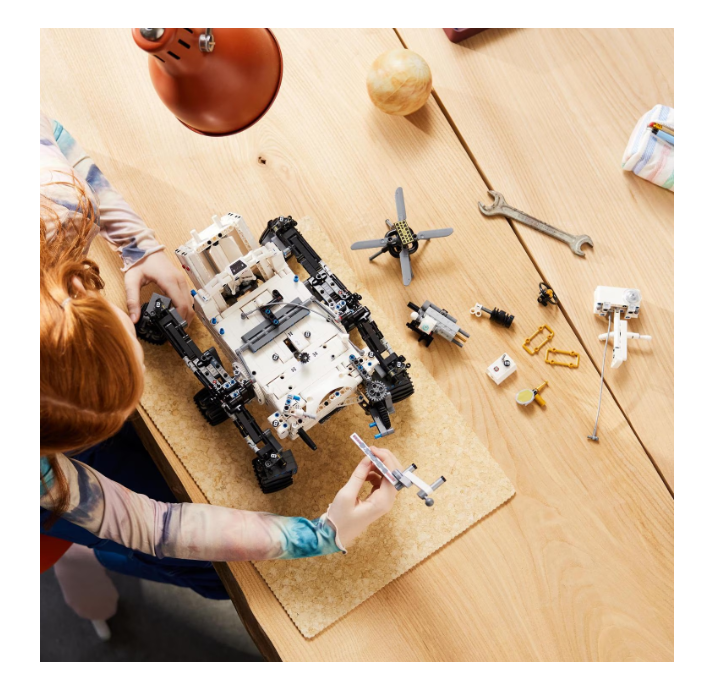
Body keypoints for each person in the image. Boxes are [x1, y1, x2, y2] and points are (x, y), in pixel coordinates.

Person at [40, 112, 400, 631]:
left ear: (74, 292)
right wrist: (324, 534)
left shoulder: (52, 202)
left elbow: (47, 129)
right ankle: (96, 556)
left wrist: (137, 243)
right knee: (212, 578)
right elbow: (152, 526)